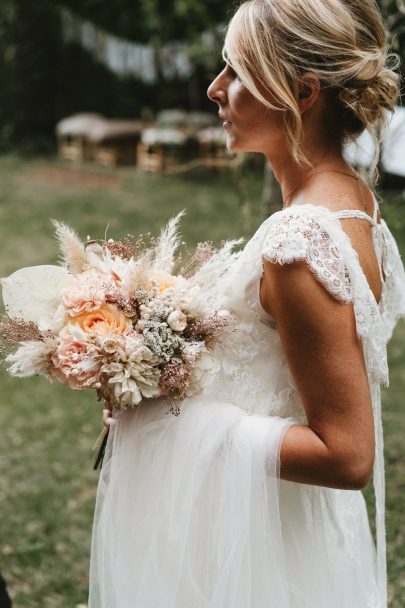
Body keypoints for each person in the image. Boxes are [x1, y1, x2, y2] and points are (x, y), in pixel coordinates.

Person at [89, 1, 405, 606]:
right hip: (276, 523)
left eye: (235, 71)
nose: (215, 89)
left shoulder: (298, 244)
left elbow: (346, 455)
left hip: (255, 547)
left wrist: (158, 423)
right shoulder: (352, 199)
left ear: (303, 89)